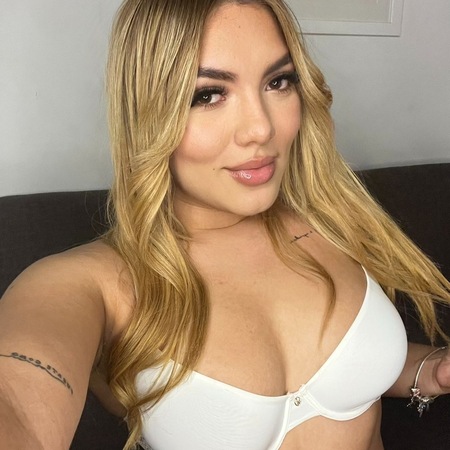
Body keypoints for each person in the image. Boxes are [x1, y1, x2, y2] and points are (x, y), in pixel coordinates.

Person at [1, 0, 449, 449]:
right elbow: (19, 405)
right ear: (147, 113)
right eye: (208, 95)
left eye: (278, 81)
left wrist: (429, 370)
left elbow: (343, 372)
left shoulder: (330, 215)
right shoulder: (89, 286)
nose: (261, 129)